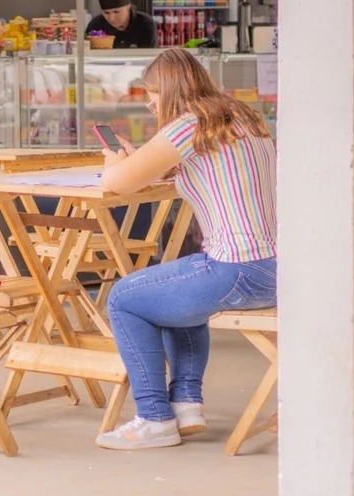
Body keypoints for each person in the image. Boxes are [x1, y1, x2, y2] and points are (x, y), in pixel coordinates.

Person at [94, 48, 278, 450]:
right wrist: (138, 162)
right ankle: (185, 403)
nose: (149, 102)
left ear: (173, 91)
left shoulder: (186, 125)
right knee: (177, 288)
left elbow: (120, 183)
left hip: (237, 270)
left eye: (154, 92)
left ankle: (154, 420)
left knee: (124, 298)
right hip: (278, 269)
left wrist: (113, 161)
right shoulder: (238, 117)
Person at [86, 0, 158, 49]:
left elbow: (149, 58)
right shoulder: (96, 25)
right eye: (106, 13)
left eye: (116, 12)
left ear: (128, 7)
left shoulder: (145, 23)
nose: (112, 18)